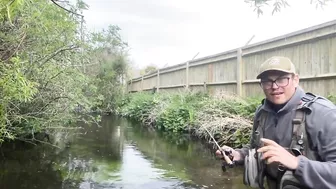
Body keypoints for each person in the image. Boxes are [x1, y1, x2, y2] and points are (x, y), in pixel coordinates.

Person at [216, 56, 336, 189]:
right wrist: (238, 155)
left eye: (281, 79)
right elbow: (256, 149)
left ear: (296, 80)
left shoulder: (323, 114)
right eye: (267, 81)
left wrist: (296, 163)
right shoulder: (262, 113)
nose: (274, 86)